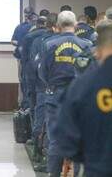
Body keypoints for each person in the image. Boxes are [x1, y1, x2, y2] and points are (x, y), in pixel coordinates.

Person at [54, 20, 112, 177]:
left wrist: (90, 159)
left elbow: (65, 140)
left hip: (97, 170)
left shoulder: (81, 86)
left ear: (97, 52)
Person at [39, 11, 92, 177]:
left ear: (58, 26)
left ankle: (53, 174)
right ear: (75, 25)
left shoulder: (48, 44)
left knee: (55, 139)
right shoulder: (87, 45)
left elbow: (42, 72)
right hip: (80, 96)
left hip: (55, 94)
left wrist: (52, 83)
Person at [27, 13, 58, 171]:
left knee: (41, 119)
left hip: (41, 86)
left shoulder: (38, 41)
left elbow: (35, 64)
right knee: (52, 124)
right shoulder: (58, 42)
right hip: (58, 88)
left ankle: (38, 152)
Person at [11, 7, 37, 108]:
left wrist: (21, 44)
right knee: (23, 80)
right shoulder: (20, 27)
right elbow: (13, 40)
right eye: (26, 13)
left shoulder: (35, 27)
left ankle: (26, 105)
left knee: (25, 80)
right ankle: (23, 104)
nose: (27, 15)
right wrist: (20, 44)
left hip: (29, 58)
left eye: (28, 14)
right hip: (23, 57)